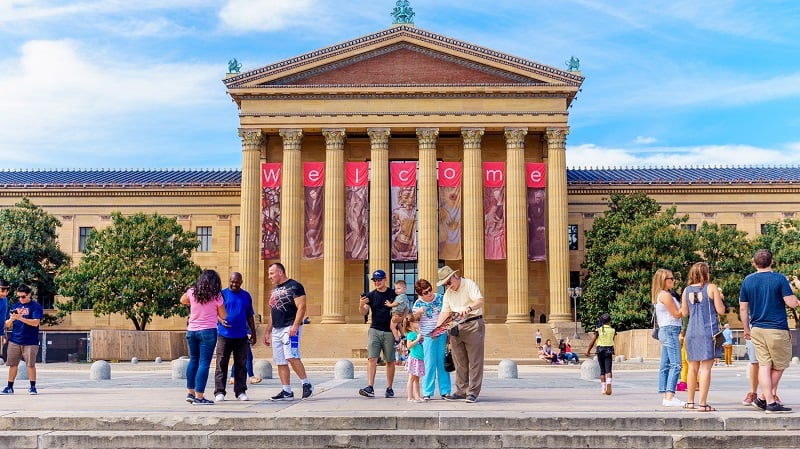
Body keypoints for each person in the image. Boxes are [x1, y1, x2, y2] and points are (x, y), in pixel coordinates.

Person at [739, 249, 799, 413]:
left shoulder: (747, 281)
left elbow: (743, 308)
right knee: (780, 364)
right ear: (771, 262)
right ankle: (768, 401)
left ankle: (763, 399)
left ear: (754, 263)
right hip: (777, 328)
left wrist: (746, 329)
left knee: (764, 365)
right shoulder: (779, 278)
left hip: (756, 328)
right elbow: (791, 303)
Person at [435, 266, 485, 404]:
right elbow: (445, 312)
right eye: (445, 285)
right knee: (459, 361)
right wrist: (437, 328)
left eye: (448, 283)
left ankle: (473, 392)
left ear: (454, 276)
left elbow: (480, 300)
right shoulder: (448, 294)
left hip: (473, 323)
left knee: (475, 361)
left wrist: (469, 308)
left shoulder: (469, 284)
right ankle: (462, 390)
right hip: (455, 326)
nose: (448, 286)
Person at [264, 262, 313, 401]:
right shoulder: (274, 290)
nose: (269, 277)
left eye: (272, 273)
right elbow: (273, 312)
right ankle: (287, 390)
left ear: (280, 272)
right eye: (269, 274)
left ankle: (306, 384)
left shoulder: (295, 286)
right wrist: (268, 332)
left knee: (291, 356)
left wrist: (295, 326)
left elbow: (302, 307)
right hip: (277, 329)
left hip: (290, 327)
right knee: (280, 360)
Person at [681, 262, 725, 412]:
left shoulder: (686, 290)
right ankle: (703, 403)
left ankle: (690, 401)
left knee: (692, 368)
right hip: (708, 331)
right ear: (706, 273)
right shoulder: (711, 288)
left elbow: (685, 313)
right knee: (706, 369)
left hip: (692, 331)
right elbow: (721, 310)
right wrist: (720, 297)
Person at [180, 270, 227, 405]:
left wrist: (195, 304)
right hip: (208, 331)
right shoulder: (216, 296)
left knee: (193, 360)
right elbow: (223, 316)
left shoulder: (192, 292)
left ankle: (191, 393)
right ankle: (200, 397)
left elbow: (182, 300)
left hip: (191, 331)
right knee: (204, 363)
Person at [213, 272, 257, 402]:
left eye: (237, 282)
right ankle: (219, 391)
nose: (234, 284)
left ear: (241, 282)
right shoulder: (221, 294)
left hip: (241, 335)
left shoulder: (246, 296)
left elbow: (250, 315)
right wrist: (220, 320)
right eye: (232, 281)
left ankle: (240, 391)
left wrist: (253, 333)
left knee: (241, 364)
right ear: (229, 281)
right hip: (224, 335)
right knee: (221, 363)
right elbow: (214, 312)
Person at [358, 269, 397, 398]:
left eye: (379, 280)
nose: (377, 282)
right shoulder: (371, 295)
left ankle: (389, 388)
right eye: (375, 280)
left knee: (390, 360)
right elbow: (363, 312)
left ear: (385, 279)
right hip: (374, 329)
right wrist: (361, 304)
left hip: (389, 331)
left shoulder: (393, 294)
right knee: (372, 358)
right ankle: (370, 387)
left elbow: (402, 308)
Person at [411, 278, 451, 400]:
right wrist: (418, 313)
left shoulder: (440, 297)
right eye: (425, 292)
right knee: (429, 364)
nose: (429, 293)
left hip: (442, 333)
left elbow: (449, 313)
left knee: (443, 363)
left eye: (430, 290)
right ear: (420, 294)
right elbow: (413, 321)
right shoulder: (418, 304)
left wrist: (448, 332)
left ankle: (445, 391)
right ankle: (427, 391)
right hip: (428, 336)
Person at [652, 268, 685, 407]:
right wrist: (686, 303)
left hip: (667, 330)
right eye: (670, 278)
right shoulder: (665, 296)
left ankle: (666, 394)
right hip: (670, 330)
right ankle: (670, 396)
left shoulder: (663, 295)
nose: (673, 280)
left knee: (665, 365)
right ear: (663, 280)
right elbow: (677, 314)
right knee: (676, 364)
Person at [2, 284, 43, 395]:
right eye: (19, 297)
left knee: (30, 365)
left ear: (29, 295)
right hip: (15, 340)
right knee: (12, 364)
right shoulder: (15, 306)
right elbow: (6, 324)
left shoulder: (35, 306)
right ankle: (9, 387)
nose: (21, 299)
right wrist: (12, 319)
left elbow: (35, 322)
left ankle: (32, 387)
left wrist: (21, 318)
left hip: (30, 341)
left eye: (23, 296)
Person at [584, 313, 615, 395]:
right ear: (610, 321)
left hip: (600, 350)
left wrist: (588, 350)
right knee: (608, 370)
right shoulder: (613, 330)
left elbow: (593, 341)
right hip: (608, 351)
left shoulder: (598, 330)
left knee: (602, 370)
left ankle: (603, 388)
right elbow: (612, 340)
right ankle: (609, 383)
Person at [403, 315, 425, 402]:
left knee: (417, 378)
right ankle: (410, 397)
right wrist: (417, 339)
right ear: (411, 324)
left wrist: (420, 339)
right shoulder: (411, 334)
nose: (418, 323)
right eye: (416, 322)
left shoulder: (415, 333)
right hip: (414, 358)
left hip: (419, 357)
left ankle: (418, 396)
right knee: (411, 378)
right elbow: (409, 346)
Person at [386, 279, 409, 347]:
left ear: (405, 289)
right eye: (395, 289)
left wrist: (389, 304)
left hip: (396, 313)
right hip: (399, 313)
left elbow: (396, 303)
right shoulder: (403, 296)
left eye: (399, 288)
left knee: (392, 327)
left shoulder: (402, 296)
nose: (396, 290)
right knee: (398, 325)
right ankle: (403, 335)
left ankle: (397, 339)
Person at [0, 280, 9, 346]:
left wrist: (5, 333)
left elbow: (4, 317)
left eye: (6, 292)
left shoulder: (5, 299)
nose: (4, 294)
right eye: (2, 291)